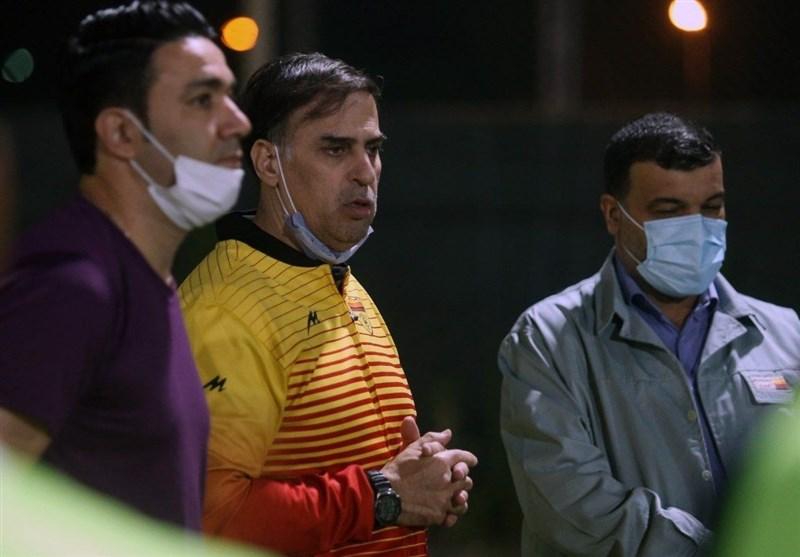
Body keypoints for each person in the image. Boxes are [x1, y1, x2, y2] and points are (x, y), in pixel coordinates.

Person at [180, 52, 478, 556]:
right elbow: (208, 519)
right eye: (336, 149)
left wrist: (421, 484)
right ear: (268, 162)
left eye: (373, 149)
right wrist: (383, 496)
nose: (365, 172)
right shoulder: (225, 310)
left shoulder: (332, 276)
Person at [499, 112, 800, 556]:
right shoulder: (547, 340)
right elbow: (574, 508)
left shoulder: (785, 333)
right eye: (669, 212)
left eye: (712, 207)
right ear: (612, 215)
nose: (697, 228)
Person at [0, 0, 251, 530]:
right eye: (203, 99)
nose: (238, 121)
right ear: (121, 134)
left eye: (229, 95)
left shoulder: (147, 278)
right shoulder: (72, 288)